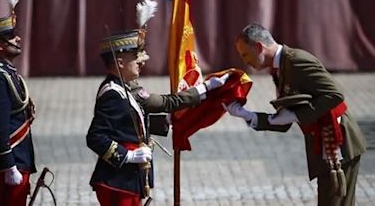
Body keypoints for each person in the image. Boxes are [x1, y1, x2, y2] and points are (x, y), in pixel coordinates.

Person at [223, 23, 367, 206]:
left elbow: (335, 95)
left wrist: (298, 116)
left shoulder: (296, 61)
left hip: (339, 140)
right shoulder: (280, 67)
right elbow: (283, 122)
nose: (245, 61)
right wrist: (247, 115)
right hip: (323, 142)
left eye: (245, 54)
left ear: (259, 47)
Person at [86, 30, 228, 206]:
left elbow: (126, 123)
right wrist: (128, 156)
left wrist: (167, 121)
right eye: (135, 57)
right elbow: (95, 137)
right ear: (120, 63)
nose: (141, 61)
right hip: (118, 182)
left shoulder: (124, 87)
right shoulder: (112, 94)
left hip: (127, 180)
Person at [0, 0, 36, 206]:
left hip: (19, 158)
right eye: (11, 35)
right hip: (9, 163)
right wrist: (8, 166)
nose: (18, 39)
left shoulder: (8, 73)